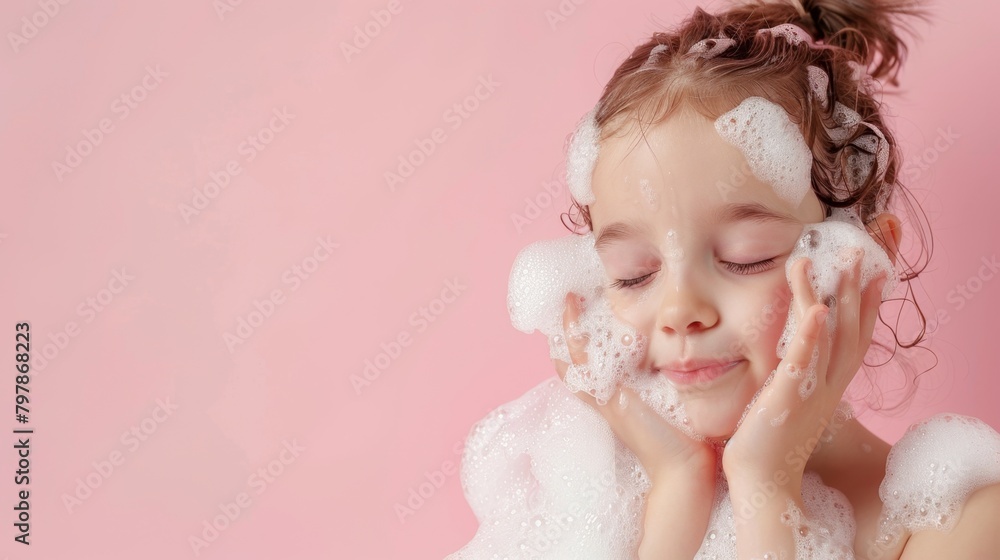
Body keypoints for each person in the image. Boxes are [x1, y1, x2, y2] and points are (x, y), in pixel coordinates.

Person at [449, 1, 1000, 558]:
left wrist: (767, 488)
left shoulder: (955, 519)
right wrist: (675, 491)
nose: (679, 308)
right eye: (634, 274)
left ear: (862, 258)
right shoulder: (571, 509)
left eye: (745, 258)